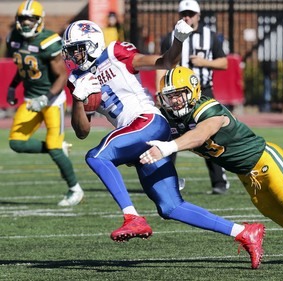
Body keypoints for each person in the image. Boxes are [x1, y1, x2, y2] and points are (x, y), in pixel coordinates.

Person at [61, 19, 265, 269]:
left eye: (78, 48)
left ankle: (131, 216)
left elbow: (166, 63)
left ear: (93, 44)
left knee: (97, 156)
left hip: (148, 122)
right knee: (170, 207)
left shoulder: (114, 53)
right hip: (134, 136)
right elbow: (82, 131)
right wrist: (78, 100)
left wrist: (178, 40)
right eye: (71, 50)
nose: (74, 55)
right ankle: (244, 232)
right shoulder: (77, 78)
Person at [140, 66, 283, 266]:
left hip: (265, 161)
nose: (174, 101)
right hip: (247, 176)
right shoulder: (172, 118)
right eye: (169, 97)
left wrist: (167, 148)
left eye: (178, 95)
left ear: (192, 91)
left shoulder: (208, 109)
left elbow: (200, 135)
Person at [6, 0, 83, 206]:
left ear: (39, 21)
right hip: (31, 99)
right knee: (16, 142)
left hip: (52, 99)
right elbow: (23, 67)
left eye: (31, 19)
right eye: (23, 19)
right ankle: (56, 148)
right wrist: (13, 86)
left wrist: (45, 99)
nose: (27, 23)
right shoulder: (13, 38)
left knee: (54, 145)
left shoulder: (47, 40)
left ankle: (75, 189)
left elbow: (61, 75)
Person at [156, 0, 229, 195]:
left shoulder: (210, 37)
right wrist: (159, 91)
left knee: (210, 137)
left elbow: (224, 63)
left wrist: (204, 62)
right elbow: (162, 65)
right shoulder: (170, 37)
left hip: (203, 92)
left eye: (190, 13)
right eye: (183, 14)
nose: (186, 17)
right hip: (175, 95)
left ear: (198, 15)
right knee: (169, 133)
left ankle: (219, 182)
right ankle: (165, 180)